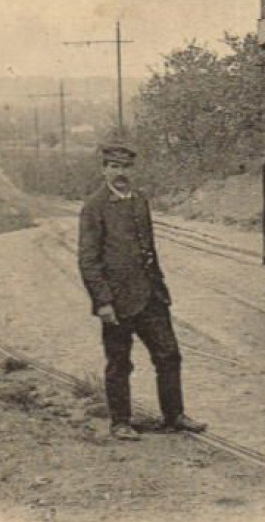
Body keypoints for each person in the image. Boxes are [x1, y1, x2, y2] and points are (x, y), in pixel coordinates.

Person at [77, 140, 207, 441]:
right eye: (114, 167)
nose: (120, 172)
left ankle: (174, 416)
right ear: (104, 169)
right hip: (118, 301)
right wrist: (103, 302)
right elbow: (87, 259)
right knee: (120, 362)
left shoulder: (140, 200)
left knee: (169, 355)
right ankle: (121, 422)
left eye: (125, 167)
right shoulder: (94, 206)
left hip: (151, 297)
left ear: (132, 170)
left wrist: (158, 287)